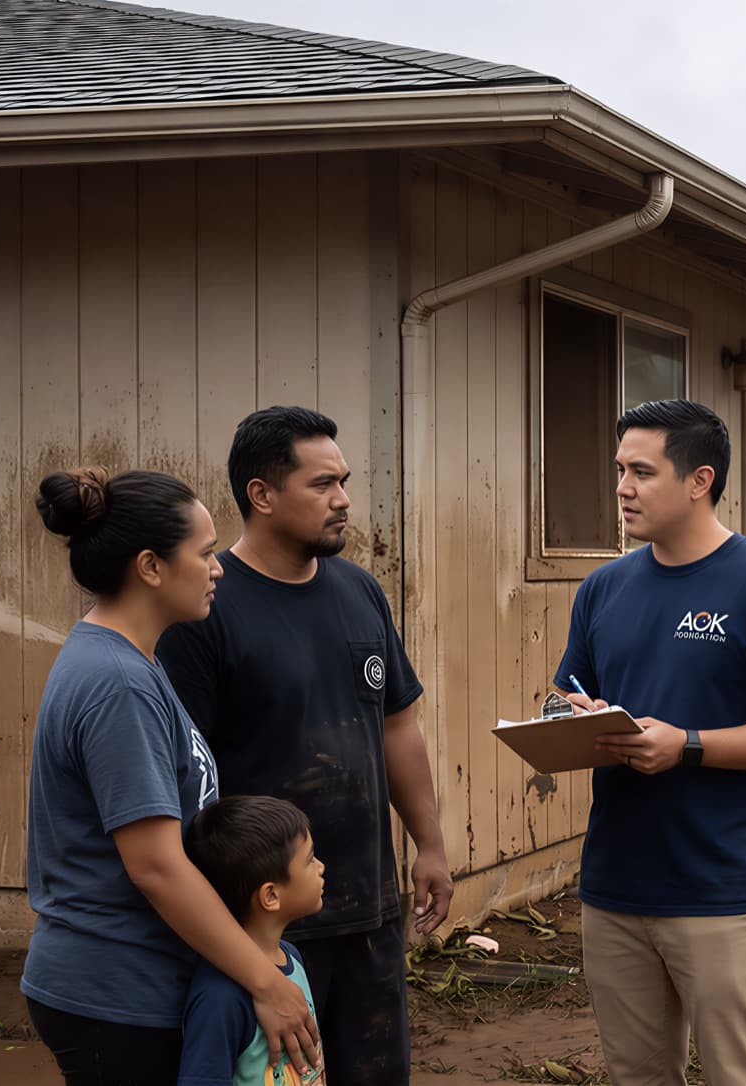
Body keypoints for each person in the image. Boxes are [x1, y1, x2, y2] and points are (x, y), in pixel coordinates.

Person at [553, 399, 746, 1086]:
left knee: (741, 1076)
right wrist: (571, 716)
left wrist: (687, 745)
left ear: (698, 480)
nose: (621, 487)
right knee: (636, 1075)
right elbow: (561, 694)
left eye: (641, 472)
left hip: (723, 892)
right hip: (615, 887)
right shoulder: (603, 588)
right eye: (619, 469)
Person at [159, 406, 446, 1086]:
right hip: (269, 929)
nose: (343, 500)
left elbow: (396, 724)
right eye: (323, 485)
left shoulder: (359, 591)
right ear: (261, 494)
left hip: (369, 913)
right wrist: (243, 952)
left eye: (343, 481)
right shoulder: (205, 611)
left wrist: (429, 844)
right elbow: (185, 778)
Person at [23, 468, 319, 1084]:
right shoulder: (119, 684)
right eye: (206, 553)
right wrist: (266, 981)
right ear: (151, 566)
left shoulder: (132, 661)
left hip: (128, 983)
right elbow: (156, 866)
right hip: (115, 991)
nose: (218, 569)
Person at [181, 795, 327, 1086]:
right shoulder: (219, 996)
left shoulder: (292, 957)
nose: (321, 867)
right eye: (310, 860)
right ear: (270, 896)